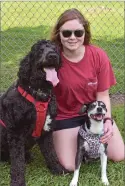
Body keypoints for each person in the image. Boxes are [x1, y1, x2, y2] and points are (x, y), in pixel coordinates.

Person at [39, 8, 124, 174]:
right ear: (59, 34)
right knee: (70, 165)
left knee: (119, 154)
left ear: (85, 33)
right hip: (65, 116)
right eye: (67, 33)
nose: (72, 37)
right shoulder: (52, 58)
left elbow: (103, 95)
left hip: (93, 114)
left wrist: (107, 120)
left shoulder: (98, 56)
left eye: (78, 32)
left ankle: (87, 140)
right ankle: (77, 141)